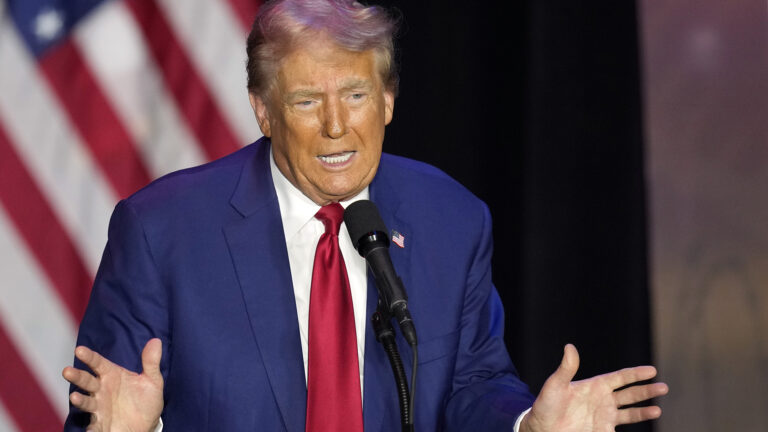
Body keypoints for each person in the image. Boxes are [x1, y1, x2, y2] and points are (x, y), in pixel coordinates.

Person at [62, 0, 668, 431]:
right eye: (305, 101)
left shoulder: (451, 219)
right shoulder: (160, 231)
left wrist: (525, 424)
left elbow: (471, 384)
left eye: (354, 95)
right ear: (263, 111)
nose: (336, 126)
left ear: (387, 99)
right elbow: (106, 409)